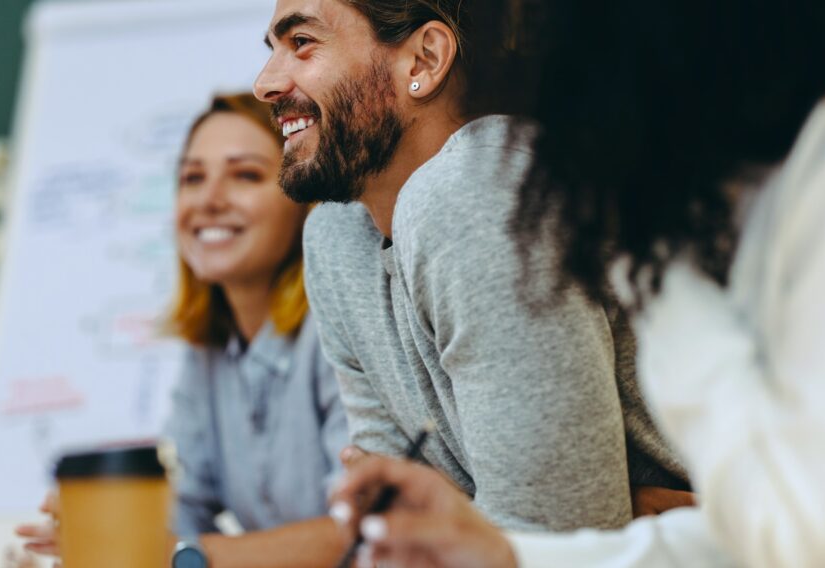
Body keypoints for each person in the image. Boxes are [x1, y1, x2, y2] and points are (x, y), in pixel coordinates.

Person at [329, 0, 825, 566]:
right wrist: (515, 552)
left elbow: (803, 528)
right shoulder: (673, 194)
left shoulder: (814, 174)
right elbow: (764, 527)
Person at [254, 0, 690, 534]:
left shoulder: (477, 188)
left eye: (302, 43)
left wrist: (470, 521)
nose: (265, 83)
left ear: (423, 61)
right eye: (273, 50)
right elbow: (392, 524)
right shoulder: (336, 238)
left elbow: (560, 535)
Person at [17, 93, 350, 567]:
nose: (209, 200)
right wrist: (110, 521)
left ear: (303, 199)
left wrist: (185, 555)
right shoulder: (211, 348)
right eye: (192, 178)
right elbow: (182, 505)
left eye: (246, 175)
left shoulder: (340, 327)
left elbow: (361, 527)